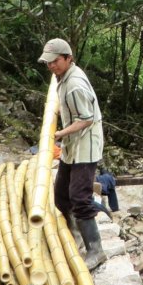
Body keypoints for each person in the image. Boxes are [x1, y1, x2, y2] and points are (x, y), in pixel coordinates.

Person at [38, 38, 106, 269]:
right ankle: (73, 236)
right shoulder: (63, 77)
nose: (51, 67)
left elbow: (86, 119)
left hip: (85, 147)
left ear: (68, 58)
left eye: (55, 62)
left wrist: (58, 134)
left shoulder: (75, 84)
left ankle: (95, 250)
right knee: (60, 195)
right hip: (72, 145)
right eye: (48, 63)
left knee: (80, 197)